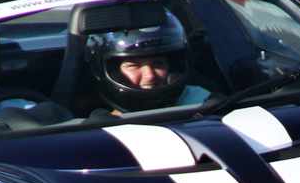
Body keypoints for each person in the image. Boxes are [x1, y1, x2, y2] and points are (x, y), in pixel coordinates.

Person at [83, 12, 211, 116]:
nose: (150, 76)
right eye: (134, 66)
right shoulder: (98, 129)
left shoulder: (201, 103)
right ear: (112, 69)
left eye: (158, 64)